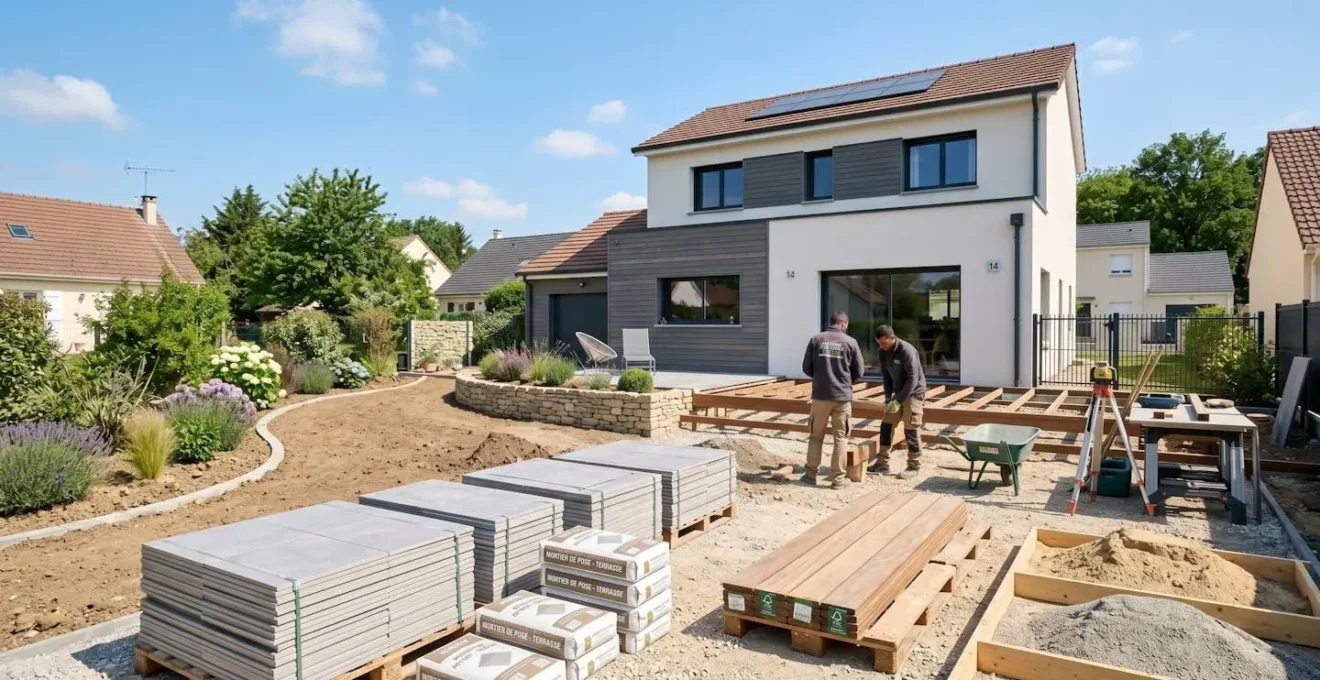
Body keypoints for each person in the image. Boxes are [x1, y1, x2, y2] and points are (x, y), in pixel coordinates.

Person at [800, 312, 865, 488]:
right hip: (842, 397)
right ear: (844, 324)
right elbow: (859, 371)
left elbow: (806, 367)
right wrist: (844, 382)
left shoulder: (816, 340)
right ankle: (837, 480)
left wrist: (821, 378)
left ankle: (810, 475)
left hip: (820, 396)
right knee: (841, 438)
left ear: (832, 323)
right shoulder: (851, 342)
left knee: (815, 436)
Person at [870, 325, 928, 479]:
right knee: (886, 425)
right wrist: (889, 398)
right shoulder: (883, 351)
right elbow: (886, 377)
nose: (881, 347)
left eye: (883, 343)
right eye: (879, 344)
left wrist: (899, 401)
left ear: (892, 338)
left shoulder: (906, 351)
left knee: (911, 429)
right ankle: (882, 463)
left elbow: (912, 379)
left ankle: (913, 466)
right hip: (898, 392)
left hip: (914, 392)